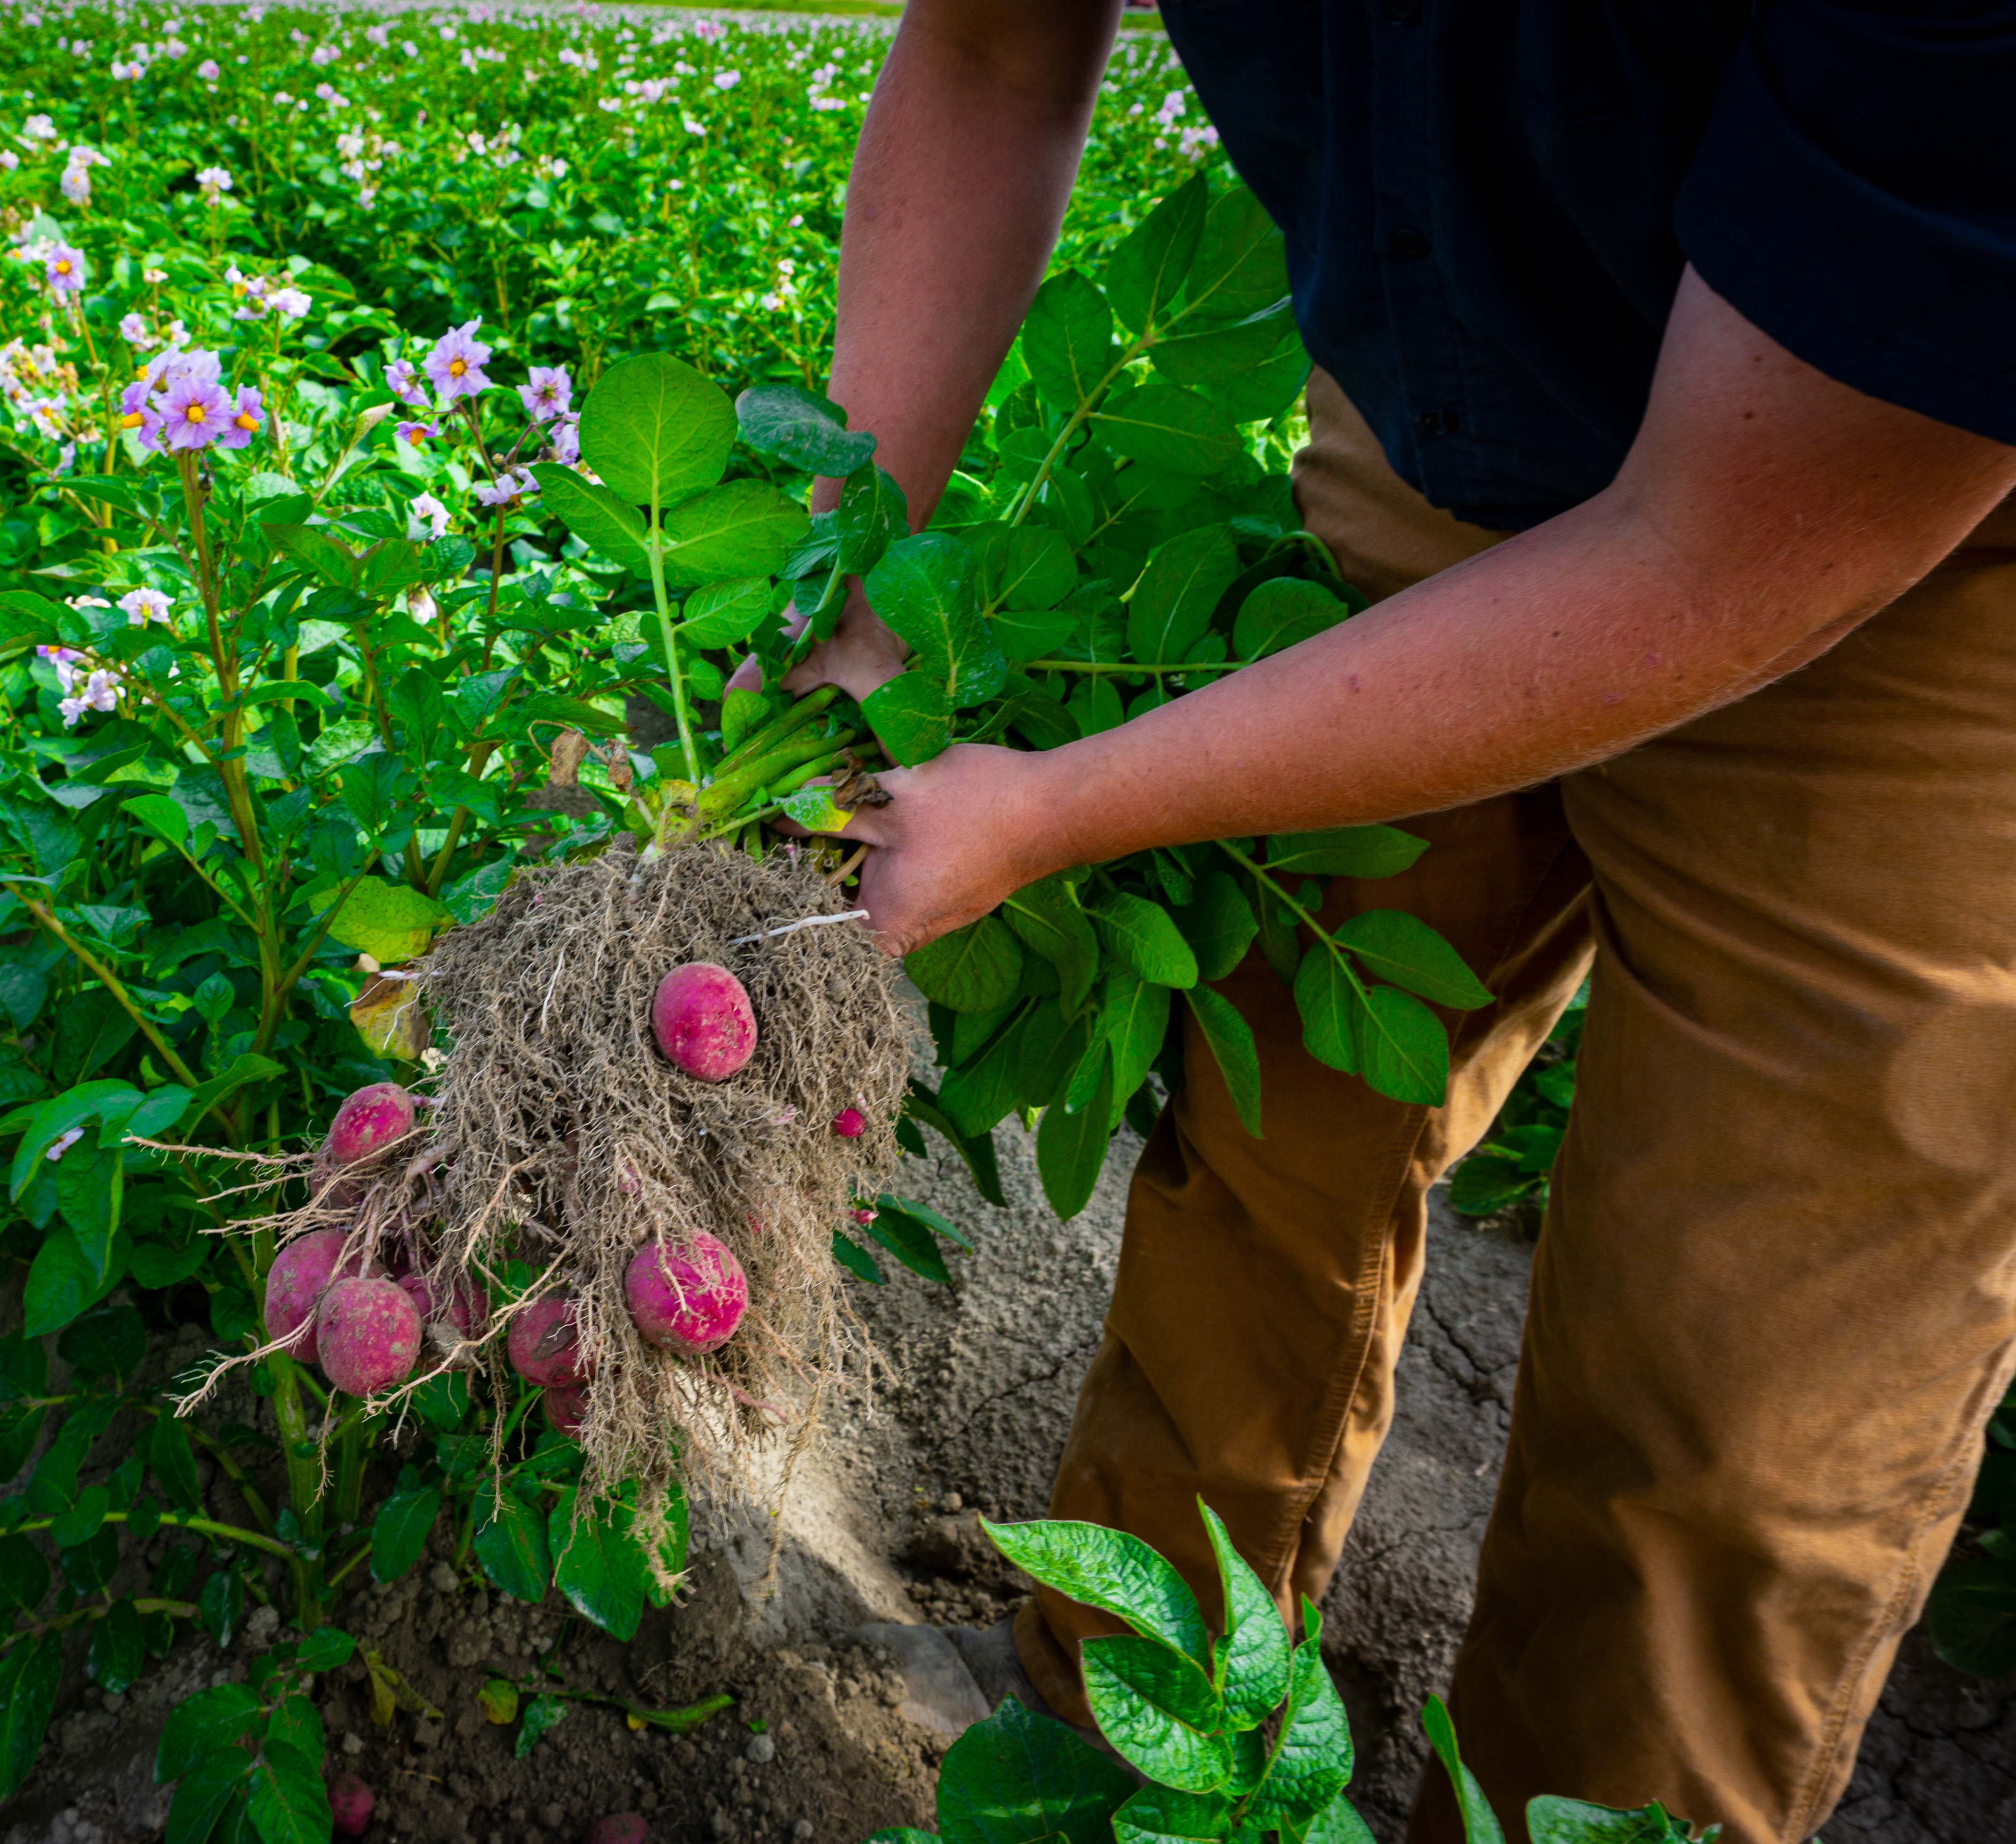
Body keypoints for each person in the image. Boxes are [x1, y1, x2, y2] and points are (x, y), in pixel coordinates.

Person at [776, 2, 2016, 1840]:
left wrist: (1052, 810)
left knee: (1738, 1411)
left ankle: (1578, 1805)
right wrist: (836, 564)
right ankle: (1123, 1761)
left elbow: (1711, 551)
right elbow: (991, 52)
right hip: (1453, 402)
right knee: (1268, 1126)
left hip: (1899, 532)